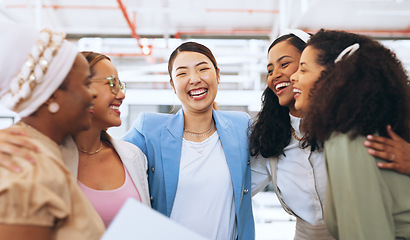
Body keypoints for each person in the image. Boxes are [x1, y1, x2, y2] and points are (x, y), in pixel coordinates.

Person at [249, 30, 410, 239]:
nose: (280, 75)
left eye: (292, 66)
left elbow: (377, 225)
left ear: (331, 74)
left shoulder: (352, 135)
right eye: (270, 69)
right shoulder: (271, 139)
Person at [122, 41, 254, 240]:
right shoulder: (149, 129)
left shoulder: (241, 126)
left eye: (203, 69)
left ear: (218, 75)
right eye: (182, 73)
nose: (194, 79)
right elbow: (104, 156)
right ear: (173, 86)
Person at [0, 23, 104, 239]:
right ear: (51, 97)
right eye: (86, 83)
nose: (92, 94)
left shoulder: (45, 152)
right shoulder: (28, 165)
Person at [61, 51, 151, 227]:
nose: (121, 95)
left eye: (120, 86)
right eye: (111, 84)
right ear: (79, 87)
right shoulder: (50, 158)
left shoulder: (133, 157)